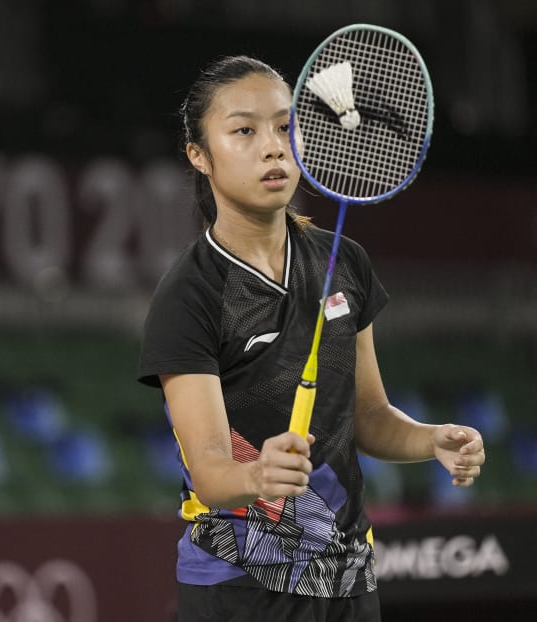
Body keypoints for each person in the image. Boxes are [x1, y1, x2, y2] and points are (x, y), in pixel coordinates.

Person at [136, 55, 486, 622]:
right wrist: (255, 475)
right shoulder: (189, 295)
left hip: (348, 581)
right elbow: (208, 468)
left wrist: (430, 440)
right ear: (199, 156)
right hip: (241, 589)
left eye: (285, 125)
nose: (274, 147)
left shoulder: (343, 262)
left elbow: (368, 415)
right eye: (244, 131)